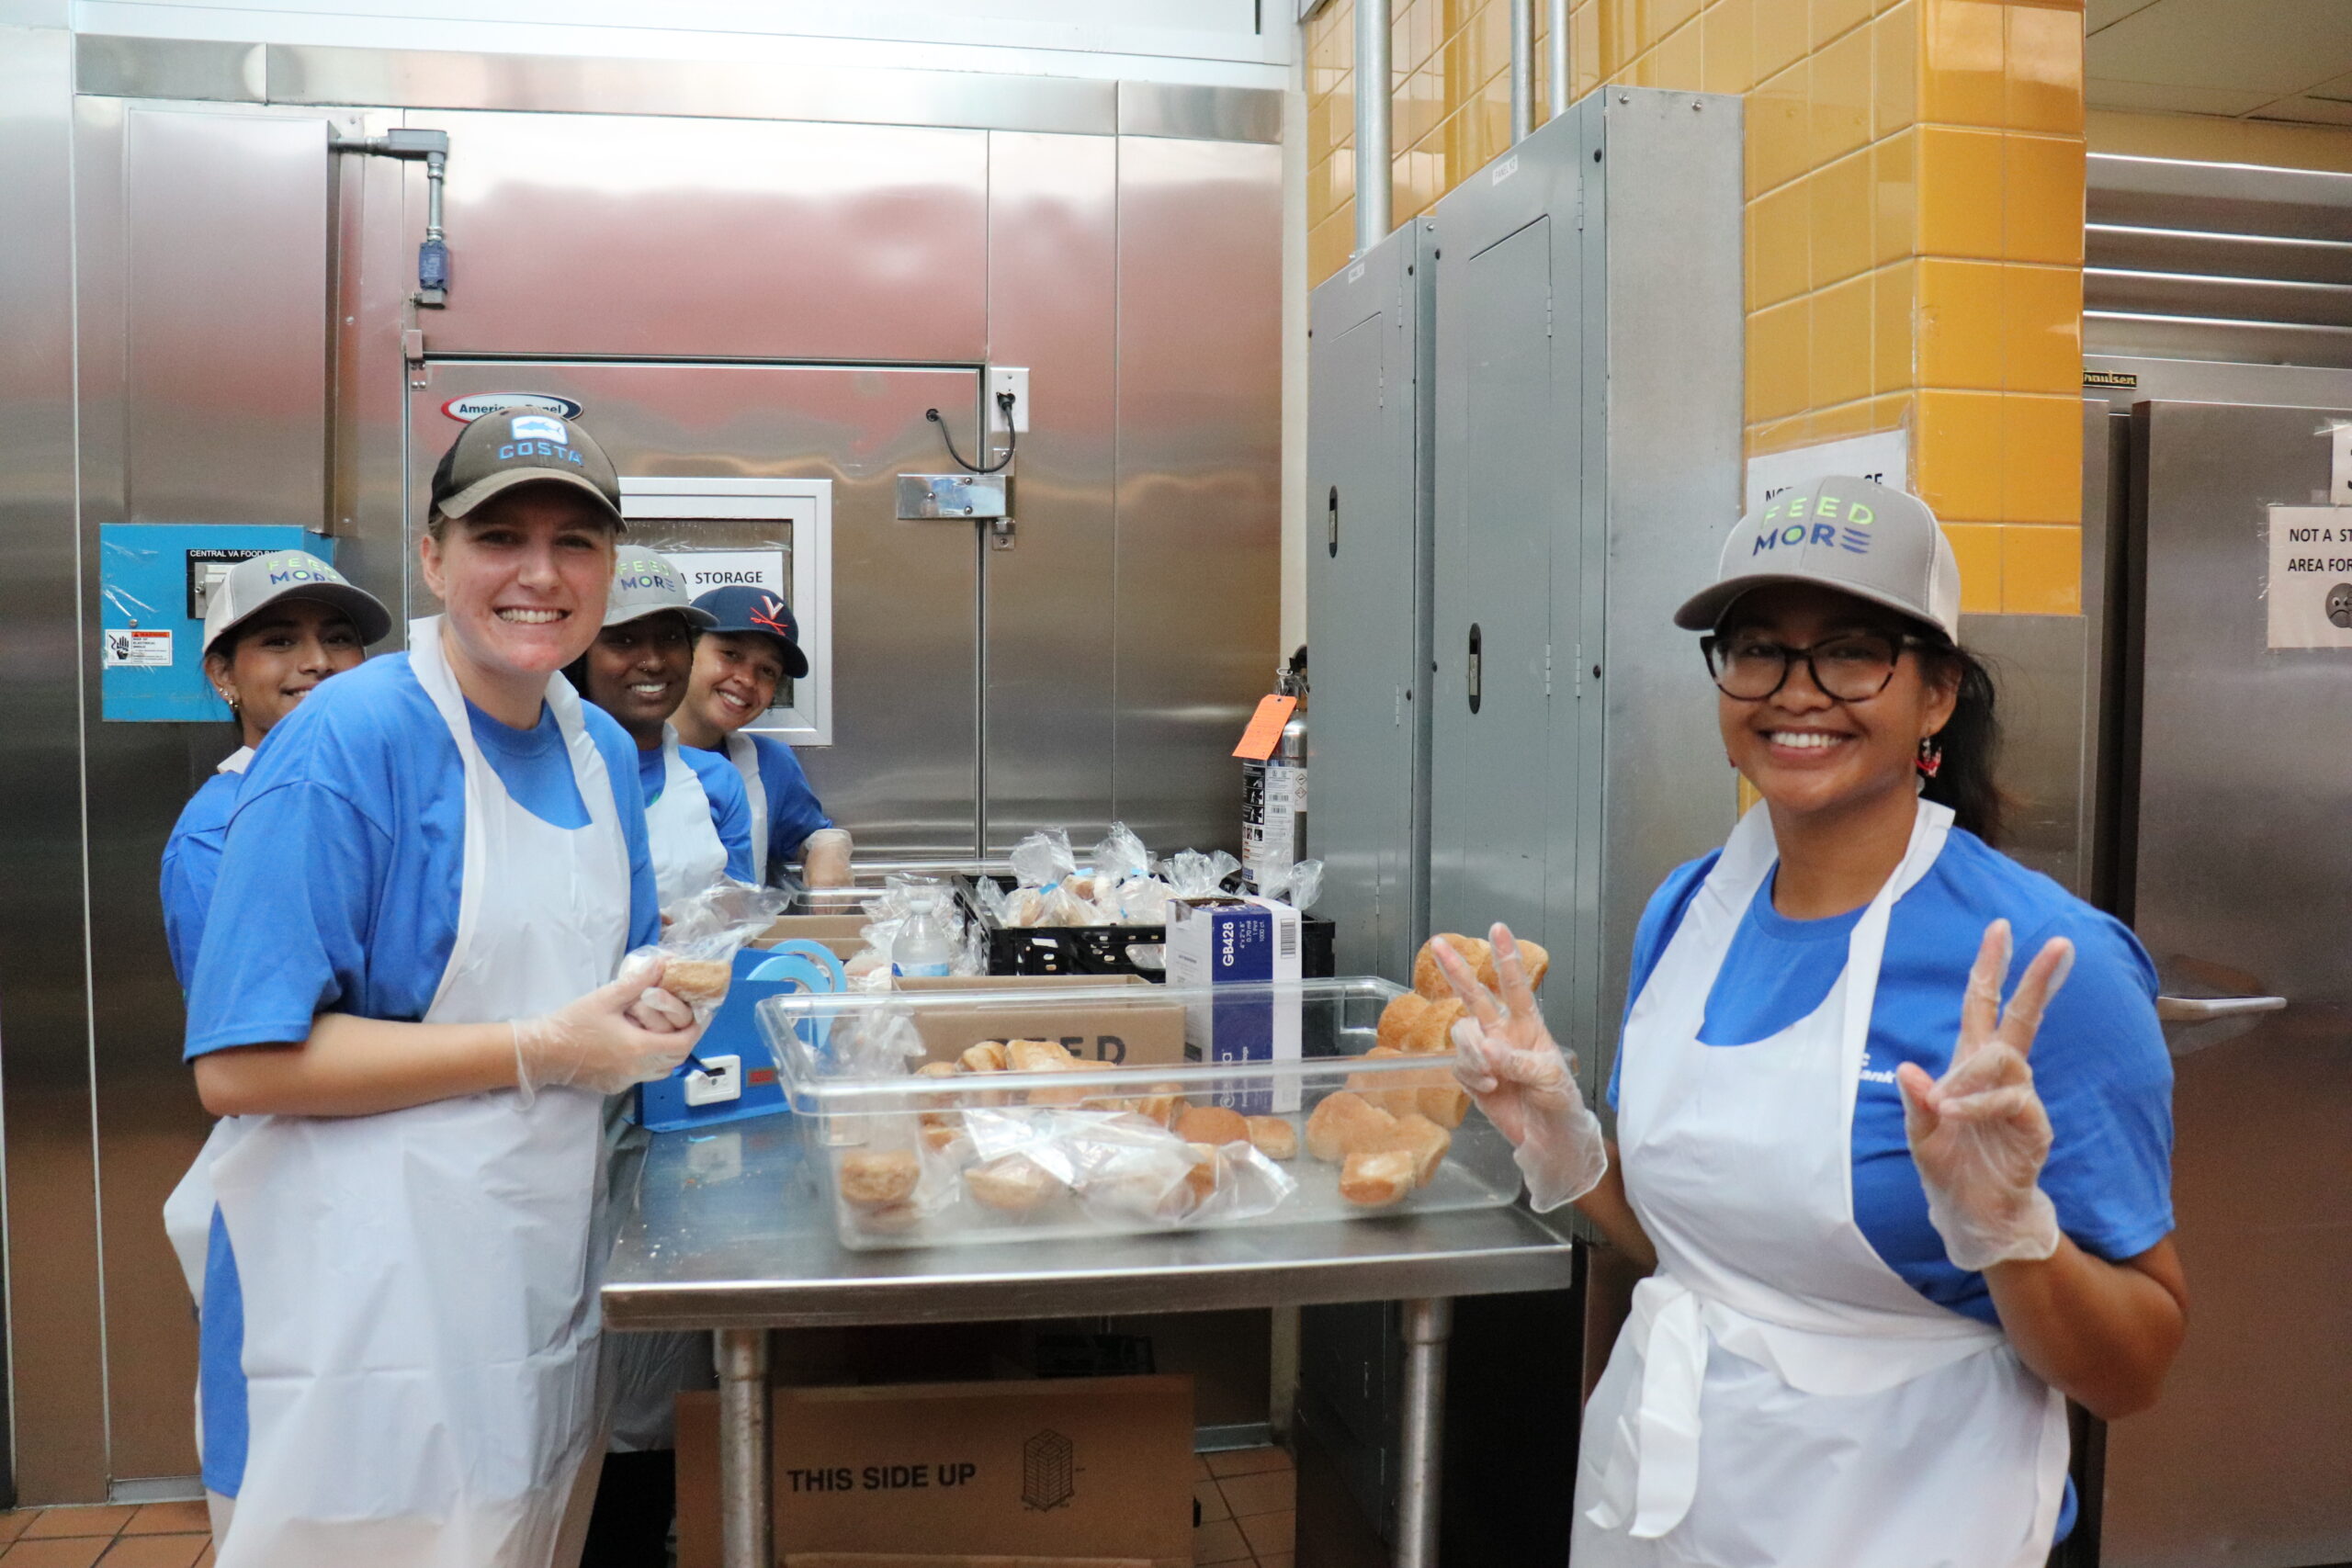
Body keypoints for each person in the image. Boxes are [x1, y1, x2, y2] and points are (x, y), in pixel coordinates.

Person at [1438, 477, 2185, 1568]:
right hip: (1659, 1509)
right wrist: (1564, 1144)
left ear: (1937, 694)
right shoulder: (1689, 909)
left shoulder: (2039, 963)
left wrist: (2011, 1236)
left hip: (1908, 1524)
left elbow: (2135, 1371)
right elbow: (1705, 1253)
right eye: (1755, 650)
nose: (1795, 691)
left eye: (1849, 651)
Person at [178, 408, 706, 1567]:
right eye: (497, 536)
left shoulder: (596, 748)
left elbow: (601, 973)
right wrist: (541, 1049)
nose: (539, 573)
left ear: (609, 570)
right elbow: (239, 1066)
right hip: (360, 1294)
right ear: (432, 558)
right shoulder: (350, 739)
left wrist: (647, 1008)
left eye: (576, 543)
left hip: (532, 1271)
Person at [161, 550, 391, 991]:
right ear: (223, 674)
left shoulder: (393, 796)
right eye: (279, 642)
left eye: (340, 638)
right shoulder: (216, 833)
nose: (319, 661)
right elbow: (249, 1046)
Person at [566, 549, 753, 908]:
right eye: (623, 640)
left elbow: (738, 922)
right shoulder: (542, 773)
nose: (652, 661)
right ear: (580, 656)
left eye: (669, 639)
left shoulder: (717, 780)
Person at [673, 584, 852, 886]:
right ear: (685, 652)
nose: (746, 679)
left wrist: (827, 847)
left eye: (767, 671)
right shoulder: (621, 750)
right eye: (730, 654)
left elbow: (807, 834)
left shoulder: (769, 764)